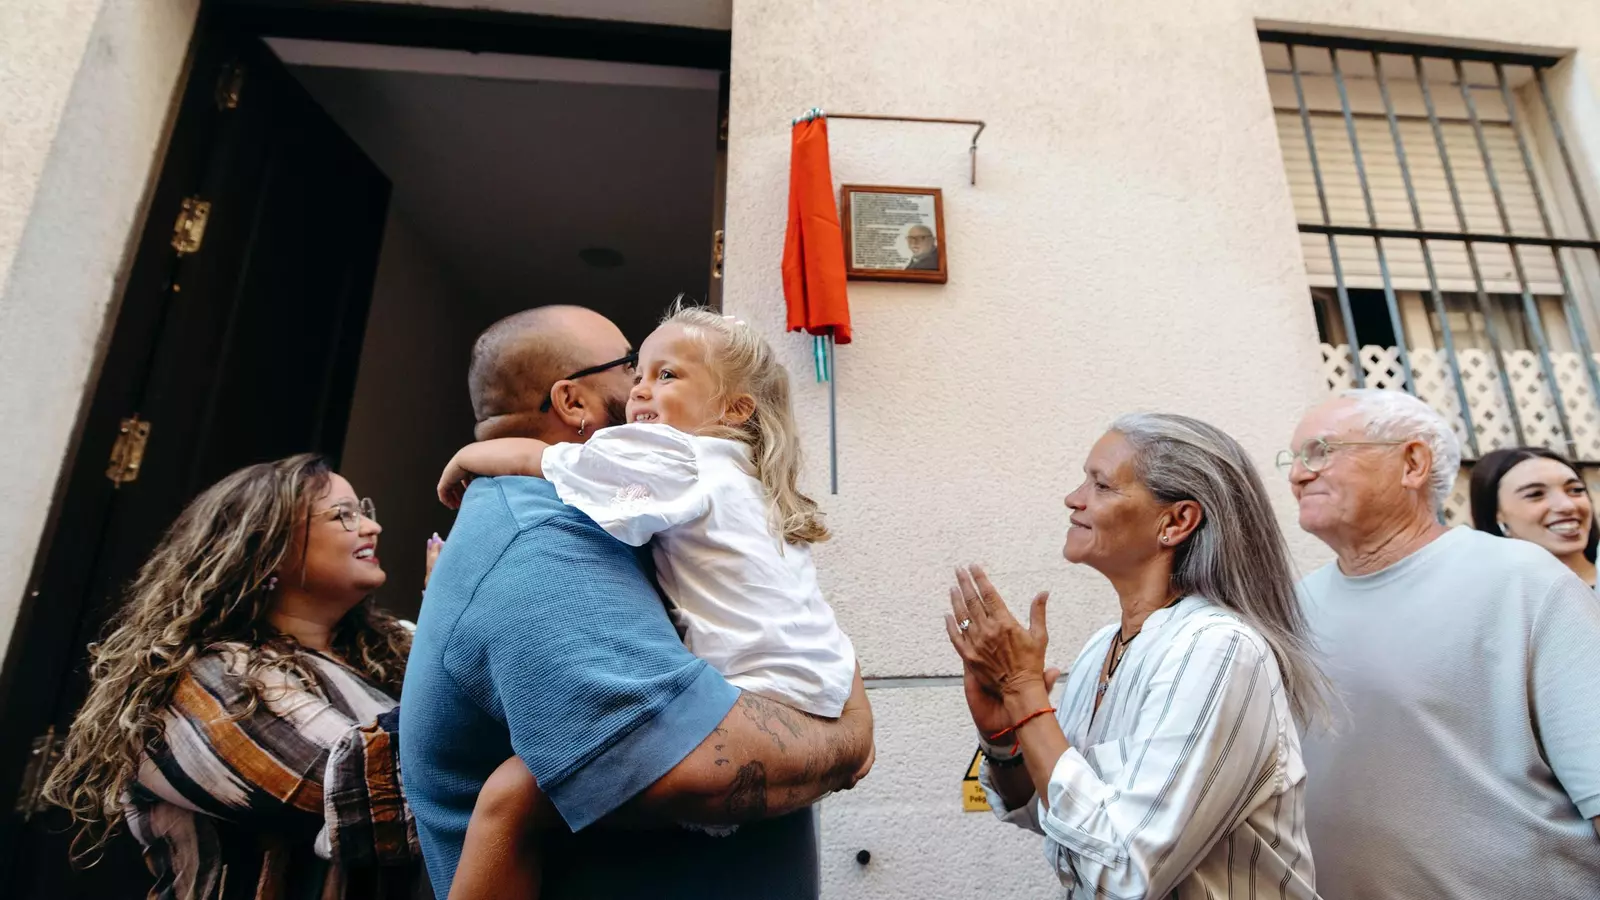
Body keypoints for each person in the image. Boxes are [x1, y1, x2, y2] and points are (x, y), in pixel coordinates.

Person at [400, 305, 875, 900]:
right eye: (631, 367)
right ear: (572, 403)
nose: (641, 388)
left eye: (661, 372)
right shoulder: (542, 539)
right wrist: (851, 731)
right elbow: (702, 766)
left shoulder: (644, 508)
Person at [948, 413, 1322, 898]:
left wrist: (1025, 694)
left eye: (1101, 485)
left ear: (1177, 521)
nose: (1074, 498)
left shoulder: (1219, 649)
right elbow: (1050, 815)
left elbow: (1126, 870)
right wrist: (1004, 737)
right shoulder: (1102, 648)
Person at [43, 454, 421, 900]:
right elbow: (377, 796)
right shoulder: (202, 685)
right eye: (343, 515)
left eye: (364, 511)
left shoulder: (387, 650)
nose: (371, 528)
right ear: (268, 548)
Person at [1286, 389, 1600, 898]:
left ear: (1411, 463)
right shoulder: (1294, 608)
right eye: (1295, 458)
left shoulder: (1522, 580)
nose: (1299, 474)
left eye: (1322, 451)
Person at [1469, 446, 1598, 588]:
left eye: (1575, 490)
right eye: (1536, 494)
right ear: (1497, 515)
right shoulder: (1495, 603)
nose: (1567, 506)